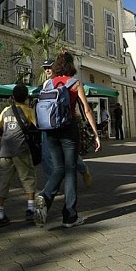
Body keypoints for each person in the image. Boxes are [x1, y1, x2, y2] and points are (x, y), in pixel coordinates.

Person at [35, 51, 101, 228]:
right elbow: (86, 110)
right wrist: (95, 134)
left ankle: (45, 196)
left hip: (50, 129)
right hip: (68, 130)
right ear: (71, 65)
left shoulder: (48, 83)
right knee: (70, 170)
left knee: (58, 168)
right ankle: (70, 216)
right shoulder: (74, 84)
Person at [39, 59, 93, 189]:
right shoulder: (47, 84)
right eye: (45, 68)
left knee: (70, 156)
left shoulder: (67, 82)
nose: (47, 70)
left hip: (65, 122)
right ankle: (51, 185)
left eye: (49, 67)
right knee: (47, 157)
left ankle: (83, 170)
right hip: (48, 124)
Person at [0, 83, 37, 228]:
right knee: (28, 179)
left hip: (5, 151)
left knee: (3, 182)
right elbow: (38, 126)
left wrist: (0, 142)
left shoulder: (6, 110)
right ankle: (30, 209)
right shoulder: (29, 111)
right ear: (26, 97)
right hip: (21, 151)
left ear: (12, 97)